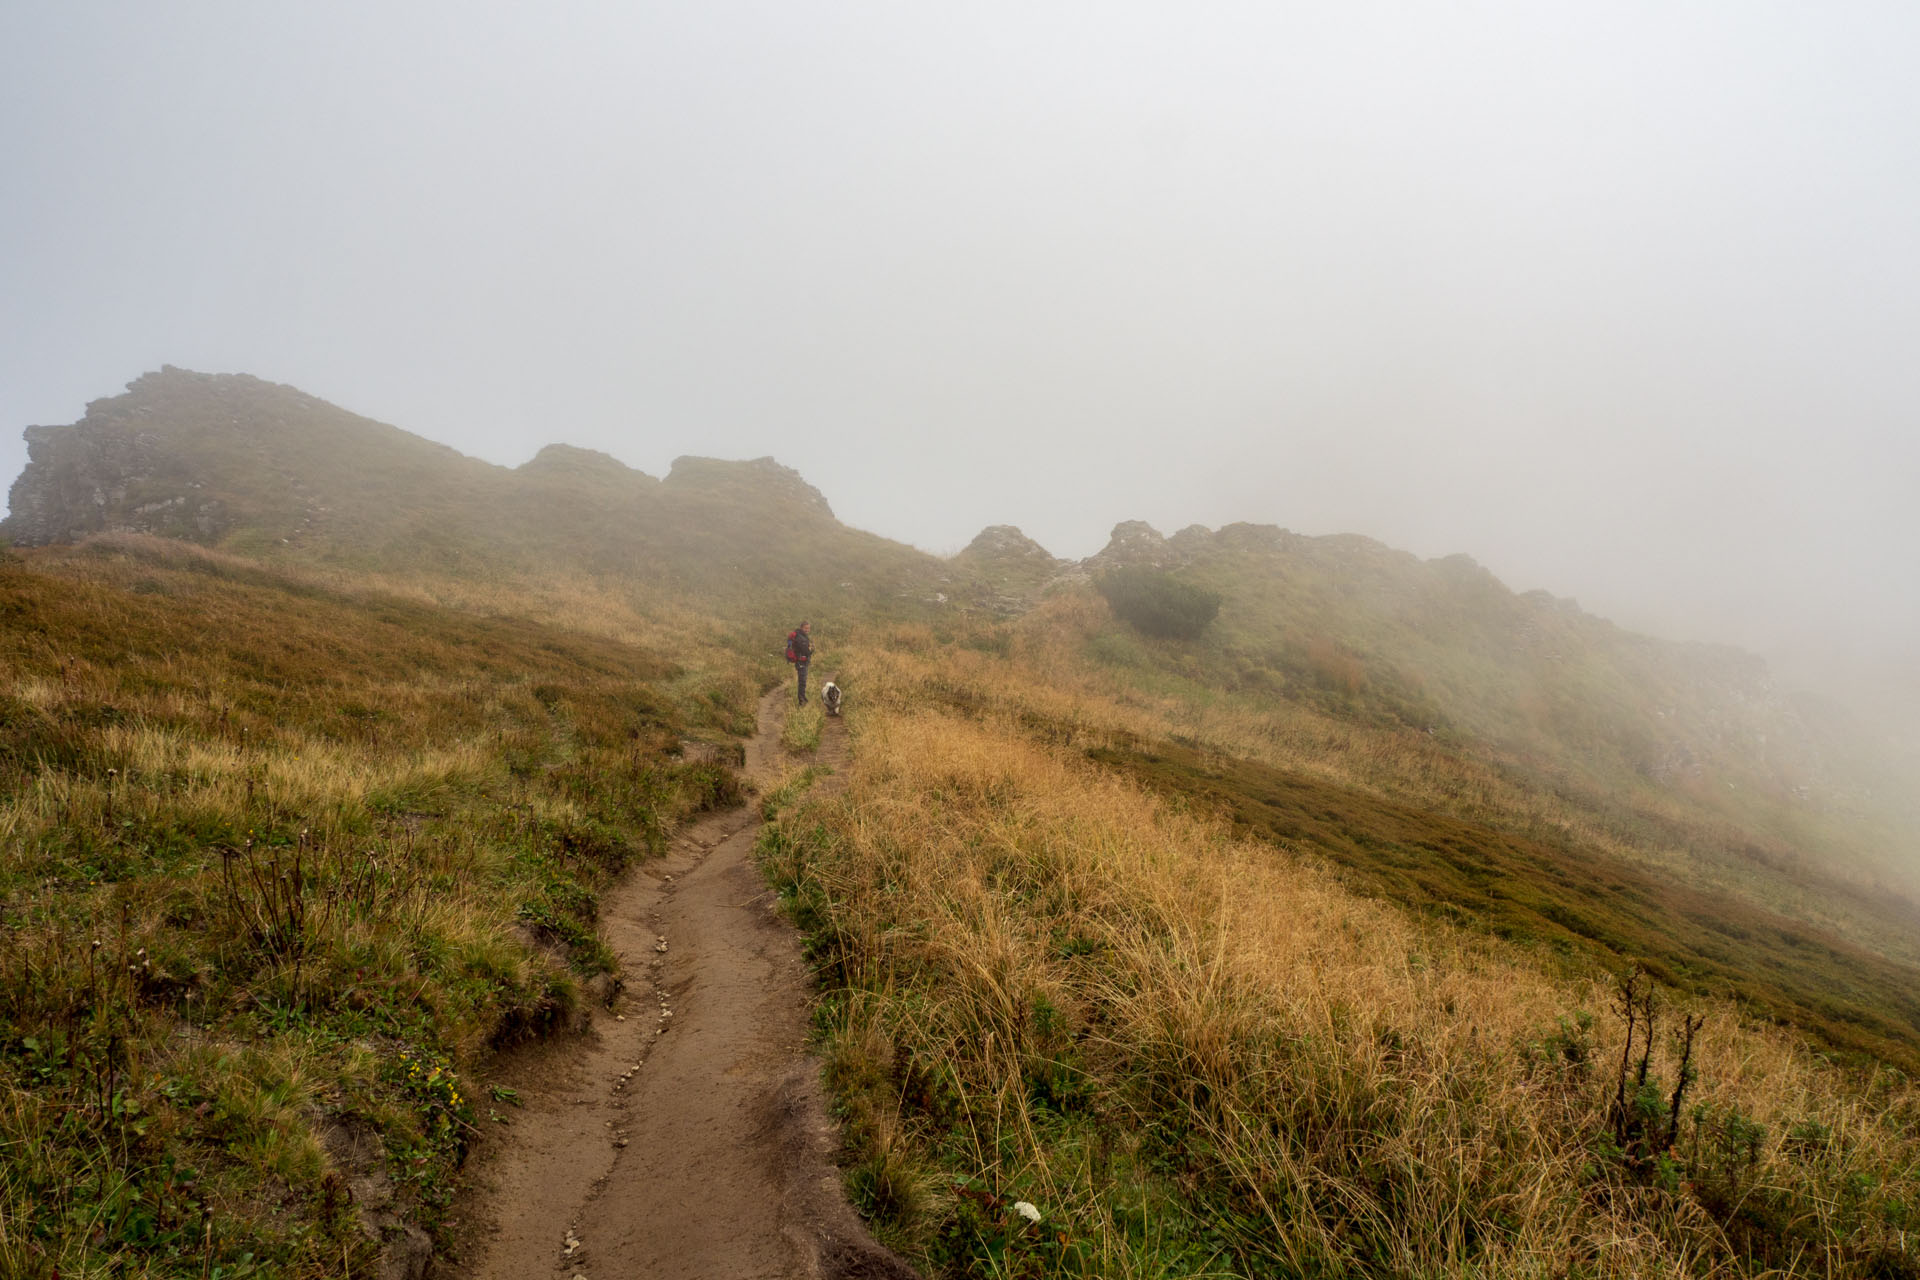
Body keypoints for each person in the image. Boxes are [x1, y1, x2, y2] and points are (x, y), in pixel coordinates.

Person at [785, 620, 814, 705]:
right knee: (802, 681)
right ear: (802, 628)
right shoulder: (800, 637)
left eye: (809, 628)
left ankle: (803, 697)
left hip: (802, 662)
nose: (807, 630)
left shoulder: (802, 636)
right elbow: (805, 650)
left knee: (803, 681)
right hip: (800, 662)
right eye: (806, 628)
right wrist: (812, 650)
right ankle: (801, 700)